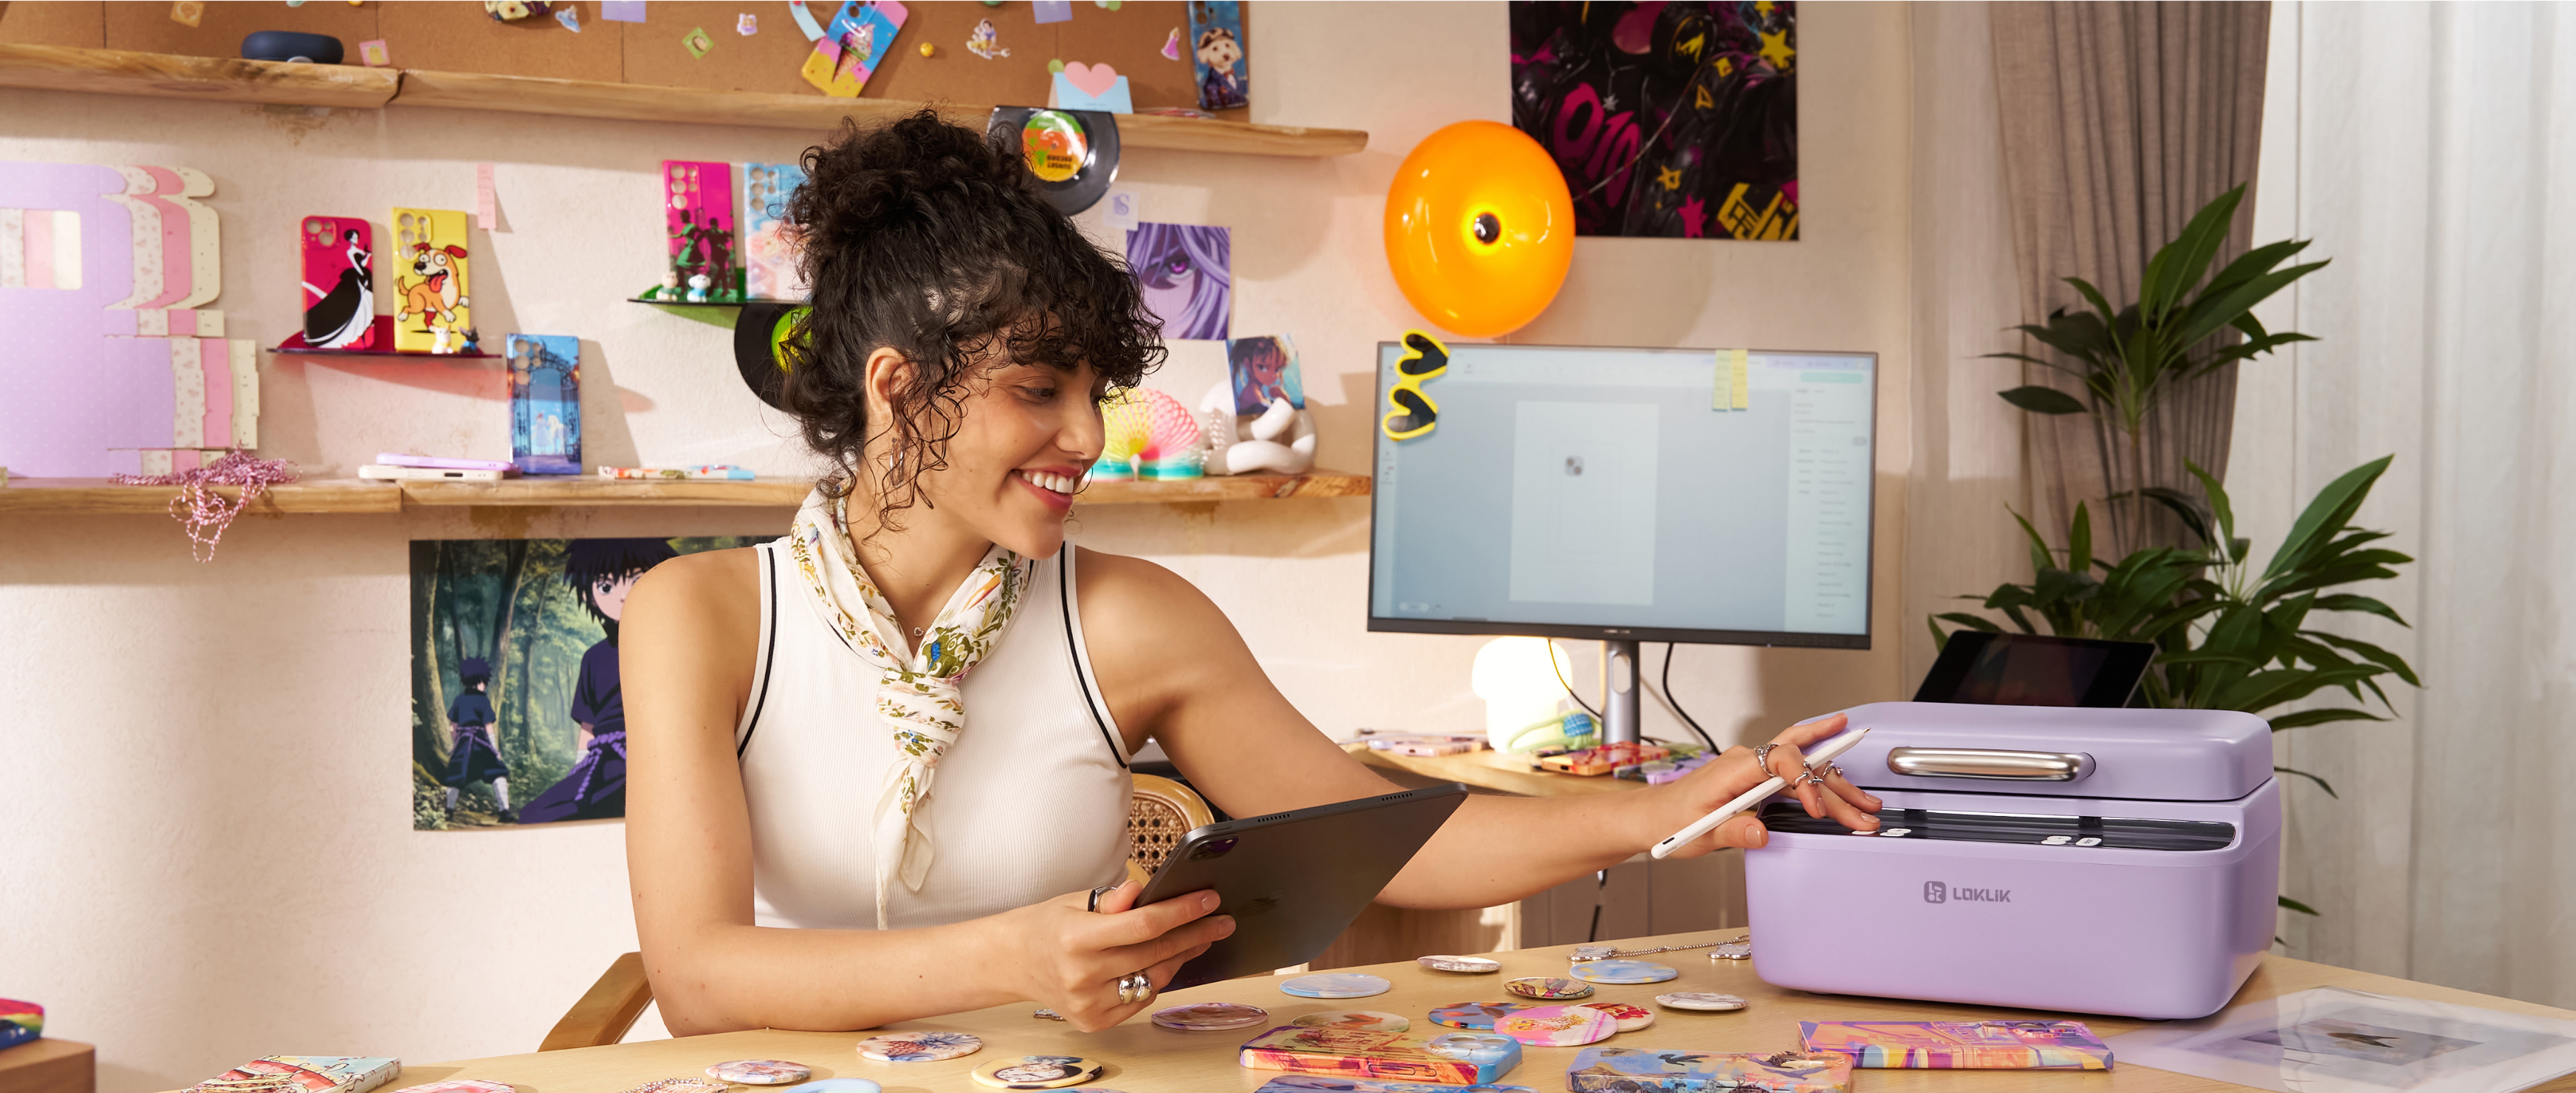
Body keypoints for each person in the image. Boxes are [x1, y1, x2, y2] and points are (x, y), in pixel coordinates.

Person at [622, 110, 1882, 1038]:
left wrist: (1667, 808)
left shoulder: (1132, 619)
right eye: (1037, 389)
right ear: (898, 388)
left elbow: (1396, 847)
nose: (1085, 436)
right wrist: (1010, 957)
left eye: (1094, 393)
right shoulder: (702, 617)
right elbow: (698, 980)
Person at [520, 538, 672, 824]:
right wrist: (580, 769)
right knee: (533, 815)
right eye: (606, 587)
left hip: (658, 756)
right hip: (606, 762)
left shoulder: (673, 646)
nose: (623, 596)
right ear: (591, 596)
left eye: (637, 581)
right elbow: (588, 727)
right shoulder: (593, 657)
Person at [441, 657, 515, 823]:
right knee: (498, 773)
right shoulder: (483, 701)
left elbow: (453, 728)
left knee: (455, 776)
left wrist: (457, 745)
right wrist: (495, 750)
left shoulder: (459, 700)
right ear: (481, 681)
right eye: (484, 682)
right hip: (481, 746)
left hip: (463, 746)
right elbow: (489, 728)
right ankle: (505, 812)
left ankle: (449, 811)